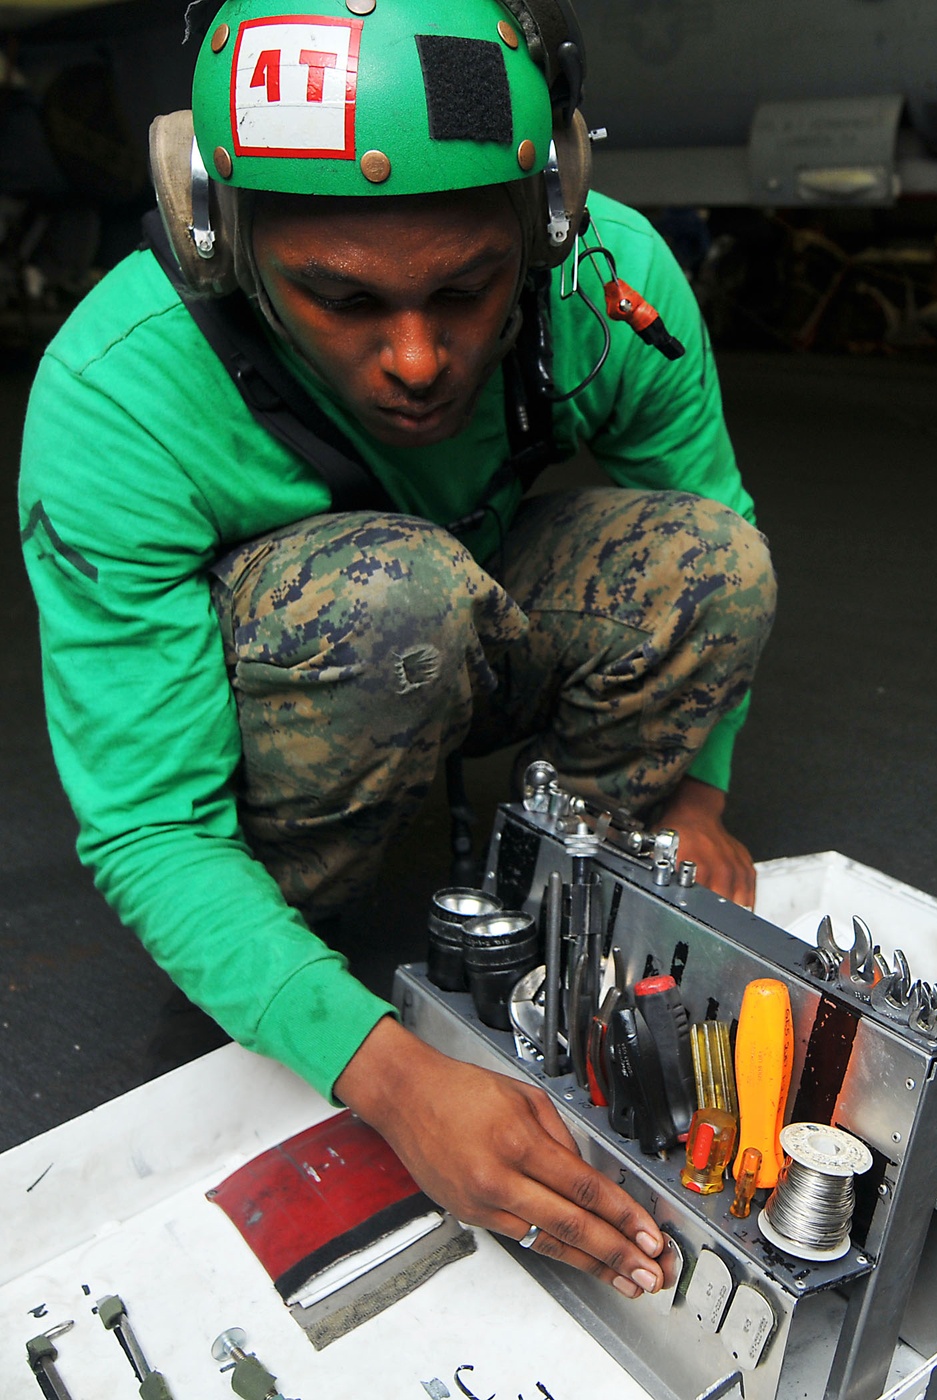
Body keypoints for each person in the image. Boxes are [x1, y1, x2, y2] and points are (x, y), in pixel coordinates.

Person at [18, 0, 775, 1300]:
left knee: (712, 572)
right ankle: (290, 950)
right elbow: (150, 827)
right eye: (344, 300)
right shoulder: (116, 393)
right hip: (324, 667)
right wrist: (397, 1085)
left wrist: (690, 796)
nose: (417, 360)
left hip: (473, 605)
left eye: (466, 293)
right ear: (218, 236)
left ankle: (559, 888)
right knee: (398, 605)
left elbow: (715, 515)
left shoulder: (607, 288)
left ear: (545, 224)